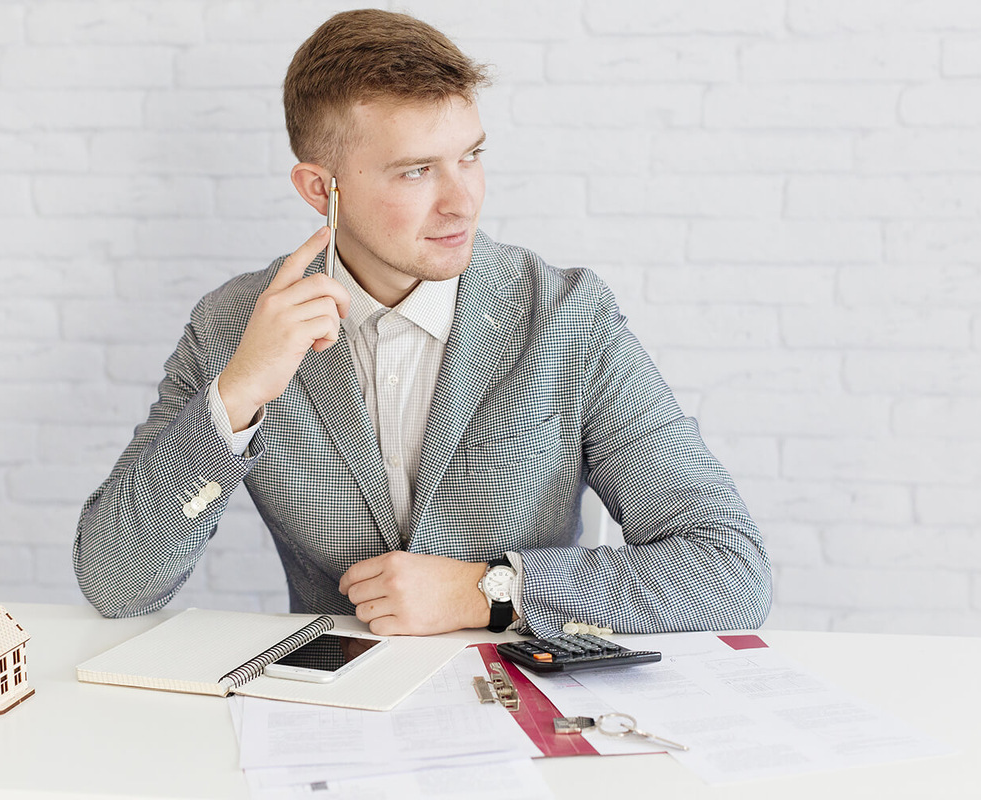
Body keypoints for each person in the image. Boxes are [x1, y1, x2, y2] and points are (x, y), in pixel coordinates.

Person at [73, 9, 772, 638]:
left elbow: (731, 569)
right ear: (320, 189)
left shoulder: (567, 316)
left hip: (526, 706)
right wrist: (237, 396)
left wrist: (489, 591)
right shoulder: (234, 327)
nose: (461, 202)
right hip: (332, 713)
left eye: (471, 157)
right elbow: (116, 585)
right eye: (415, 172)